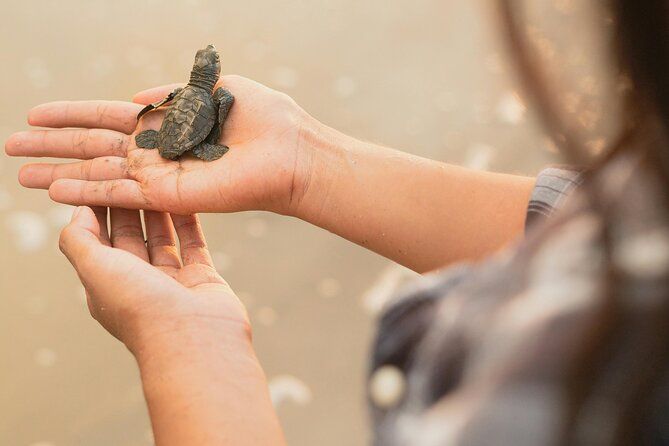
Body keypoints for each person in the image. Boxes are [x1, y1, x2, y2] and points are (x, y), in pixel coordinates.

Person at [5, 1, 669, 444]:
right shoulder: (637, 245)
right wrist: (306, 164)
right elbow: (602, 228)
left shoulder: (559, 402)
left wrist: (188, 350)